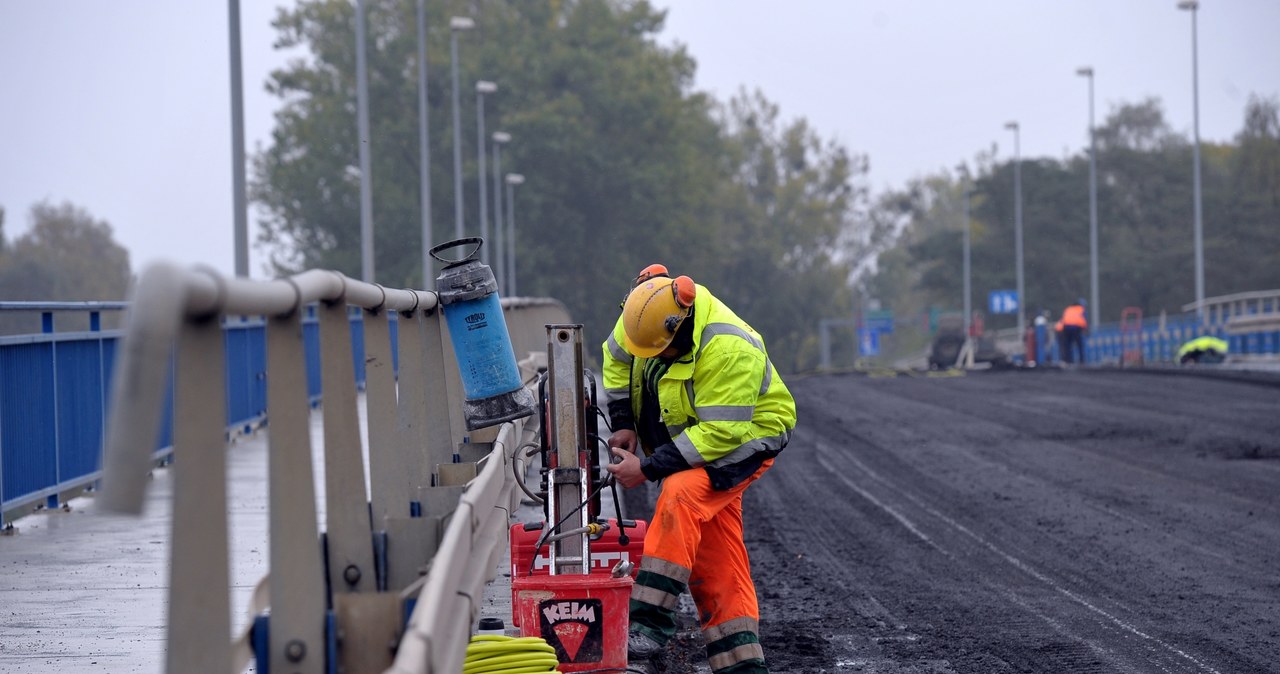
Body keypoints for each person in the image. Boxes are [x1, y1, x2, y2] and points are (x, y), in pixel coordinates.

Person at [602, 264, 796, 674]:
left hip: (744, 438)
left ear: (682, 326)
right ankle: (742, 664)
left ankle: (648, 623)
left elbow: (720, 434)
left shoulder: (730, 350)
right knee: (716, 552)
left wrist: (649, 468)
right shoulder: (645, 313)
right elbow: (616, 358)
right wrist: (622, 422)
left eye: (661, 353)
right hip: (700, 434)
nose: (653, 360)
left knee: (682, 493)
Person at [1059, 299, 1088, 364]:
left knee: (1068, 345)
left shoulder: (1068, 309)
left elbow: (1063, 319)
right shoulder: (1081, 309)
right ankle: (1082, 361)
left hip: (1066, 328)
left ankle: (1069, 361)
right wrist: (1085, 330)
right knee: (1079, 345)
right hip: (1076, 328)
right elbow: (1084, 320)